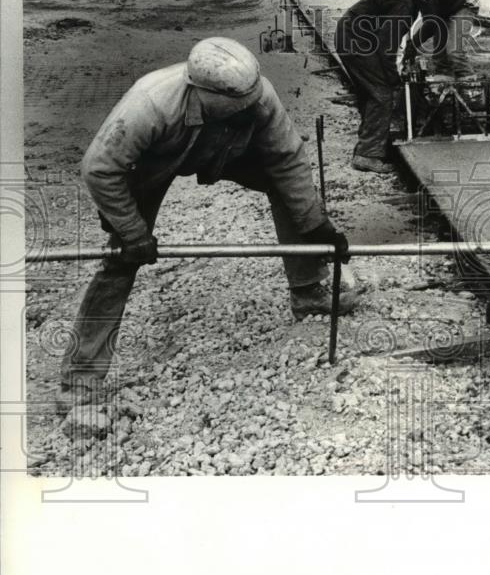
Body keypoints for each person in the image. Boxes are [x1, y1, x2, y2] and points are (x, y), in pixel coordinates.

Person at [58, 37, 354, 413]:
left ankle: (308, 290)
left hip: (229, 147)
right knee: (120, 261)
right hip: (155, 160)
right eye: (239, 107)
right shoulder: (151, 102)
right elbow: (100, 169)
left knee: (287, 189)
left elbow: (288, 159)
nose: (252, 109)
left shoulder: (259, 98)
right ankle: (80, 377)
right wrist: (132, 231)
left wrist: (316, 226)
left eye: (252, 104)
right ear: (204, 94)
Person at [335, 0, 443, 173]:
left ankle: (366, 146)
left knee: (371, 92)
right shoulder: (403, 4)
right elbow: (386, 48)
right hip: (355, 39)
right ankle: (367, 155)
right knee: (382, 93)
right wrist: (394, 78)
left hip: (352, 36)